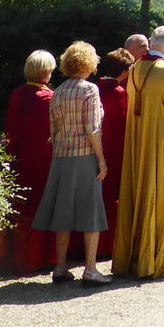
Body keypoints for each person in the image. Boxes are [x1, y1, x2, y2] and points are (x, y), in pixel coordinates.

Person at [112, 26, 164, 278]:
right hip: (162, 145)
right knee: (160, 195)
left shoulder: (135, 68)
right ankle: (159, 259)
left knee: (138, 192)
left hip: (138, 142)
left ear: (150, 43)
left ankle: (135, 257)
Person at [32, 41, 110, 287]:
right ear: (89, 63)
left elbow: (54, 130)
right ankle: (90, 269)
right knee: (91, 211)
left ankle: (61, 267)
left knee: (63, 212)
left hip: (61, 157)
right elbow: (93, 129)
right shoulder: (90, 90)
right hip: (85, 156)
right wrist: (101, 160)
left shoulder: (58, 91)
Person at [0, 50, 58, 275]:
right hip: (42, 159)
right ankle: (39, 258)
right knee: (41, 206)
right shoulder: (48, 98)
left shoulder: (17, 94)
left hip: (18, 157)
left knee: (19, 205)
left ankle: (14, 258)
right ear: (46, 71)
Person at [94, 48, 131, 258]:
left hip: (96, 149)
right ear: (124, 72)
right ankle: (108, 244)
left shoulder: (96, 88)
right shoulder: (118, 93)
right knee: (112, 198)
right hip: (115, 150)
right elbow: (124, 124)